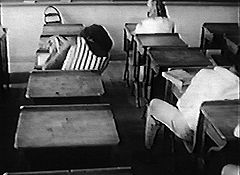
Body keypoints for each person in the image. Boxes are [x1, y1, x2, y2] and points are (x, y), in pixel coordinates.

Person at [145, 66, 240, 150]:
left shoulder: (206, 74)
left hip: (190, 131)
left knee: (154, 104)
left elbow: (182, 105)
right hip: (220, 139)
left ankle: (148, 147)